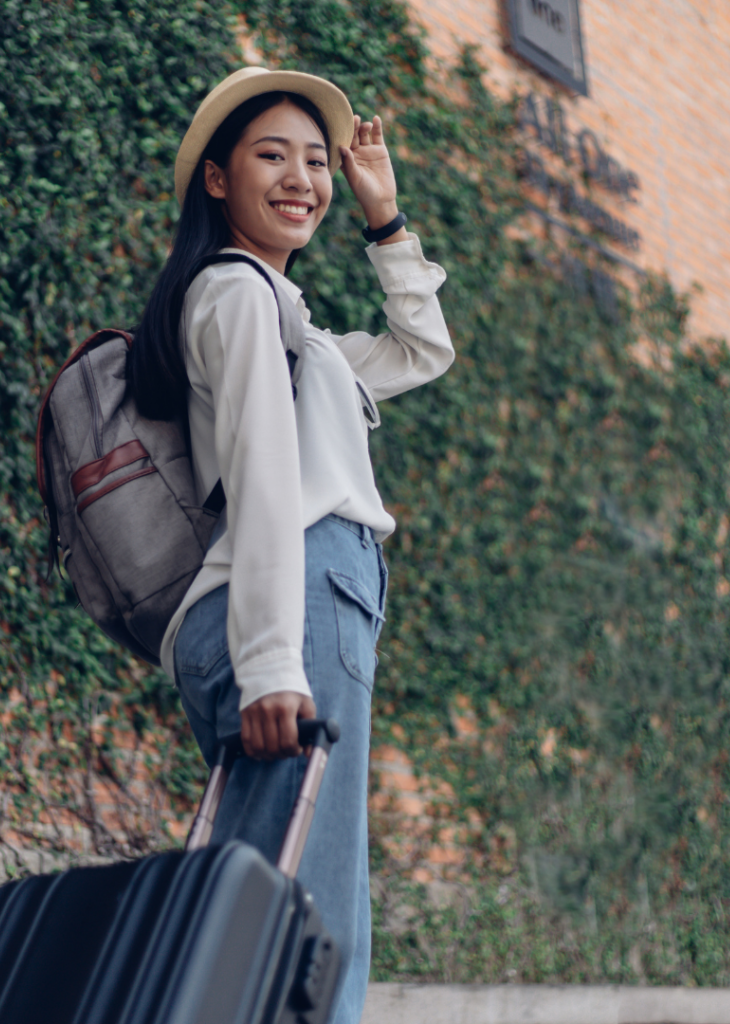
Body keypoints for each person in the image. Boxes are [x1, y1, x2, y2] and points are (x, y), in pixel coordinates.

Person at [127, 66, 453, 1024]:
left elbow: (419, 351)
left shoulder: (293, 322)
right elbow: (266, 476)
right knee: (301, 925)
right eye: (273, 155)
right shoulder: (234, 293)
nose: (302, 177)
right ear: (218, 179)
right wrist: (271, 662)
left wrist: (385, 217)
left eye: (317, 161)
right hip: (295, 601)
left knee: (286, 910)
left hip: (312, 600)